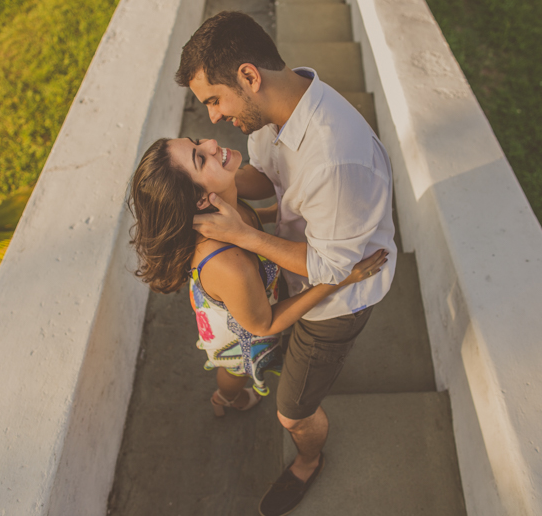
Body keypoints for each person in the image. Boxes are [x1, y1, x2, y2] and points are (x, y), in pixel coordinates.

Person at [176, 11, 397, 516]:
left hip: (331, 305)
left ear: (250, 76)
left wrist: (243, 233)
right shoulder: (277, 110)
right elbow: (267, 177)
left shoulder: (335, 160)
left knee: (292, 411)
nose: (211, 119)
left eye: (214, 100)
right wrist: (223, 187)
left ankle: (309, 460)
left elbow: (329, 268)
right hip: (296, 272)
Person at [127, 137, 387, 419]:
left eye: (197, 142)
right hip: (239, 331)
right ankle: (225, 398)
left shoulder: (224, 207)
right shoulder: (231, 266)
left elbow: (254, 222)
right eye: (200, 159)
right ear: (201, 199)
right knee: (235, 369)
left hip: (240, 294)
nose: (212, 143)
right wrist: (340, 278)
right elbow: (265, 323)